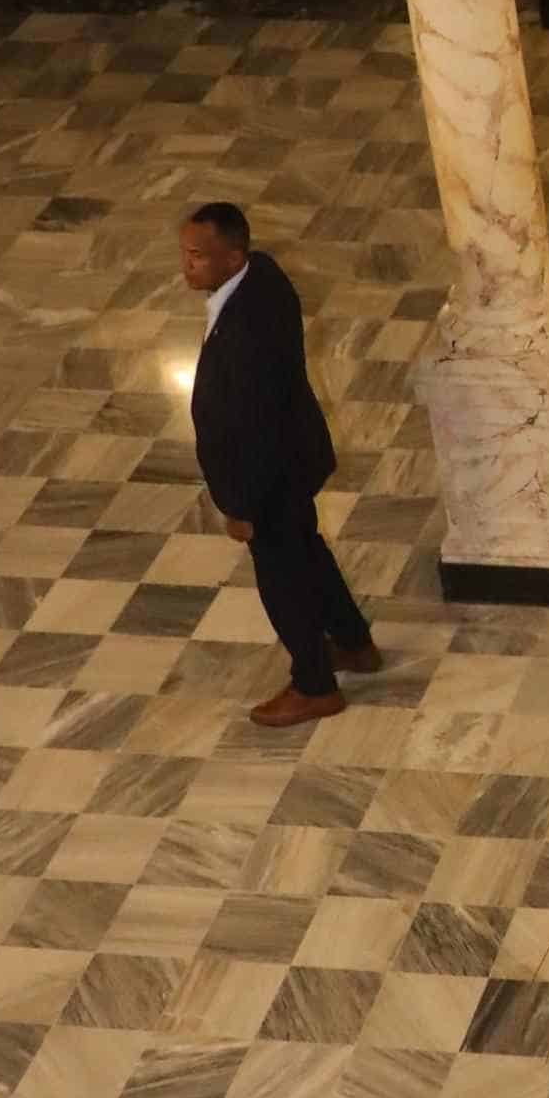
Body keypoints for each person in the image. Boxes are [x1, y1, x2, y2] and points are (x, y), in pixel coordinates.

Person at [180, 202, 380, 727]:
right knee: (306, 551)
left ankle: (315, 685)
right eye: (186, 253)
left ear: (233, 257)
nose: (187, 266)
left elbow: (252, 429)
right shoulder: (260, 277)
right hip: (293, 460)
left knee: (282, 579)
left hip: (268, 479)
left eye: (198, 256)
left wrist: (240, 506)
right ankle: (355, 643)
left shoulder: (246, 330)